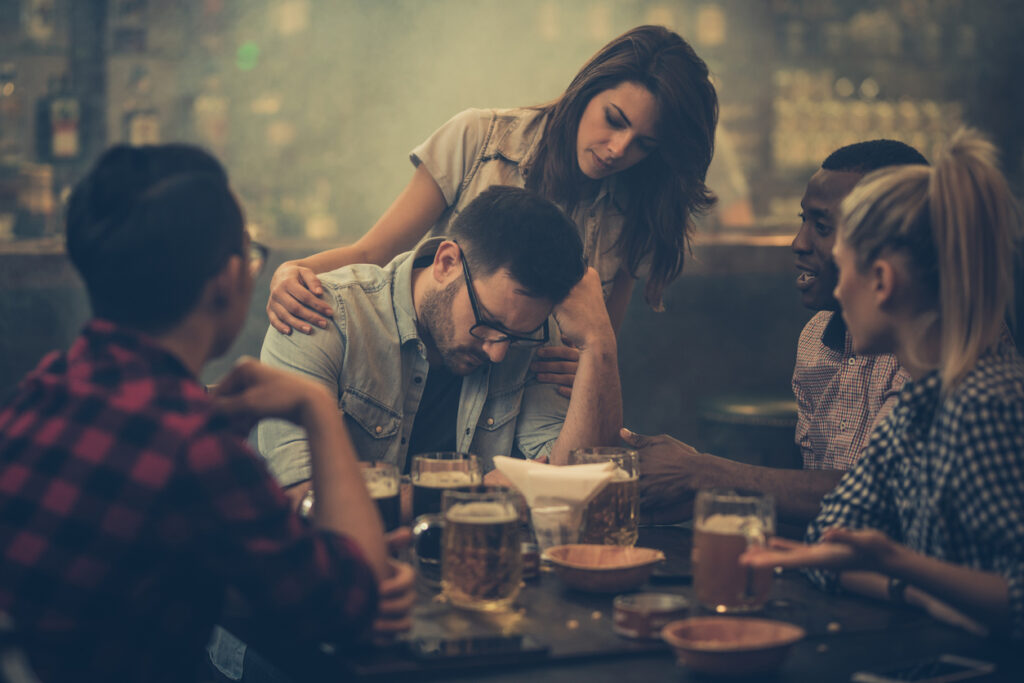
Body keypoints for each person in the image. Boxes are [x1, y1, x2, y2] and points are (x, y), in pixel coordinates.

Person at [0, 144, 414, 681]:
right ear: (226, 281)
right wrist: (315, 410)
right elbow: (355, 608)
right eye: (252, 254)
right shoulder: (192, 447)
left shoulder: (44, 389)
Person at [265, 25, 717, 394]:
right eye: (614, 120)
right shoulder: (479, 138)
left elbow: (600, 337)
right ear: (586, 91)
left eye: (644, 143)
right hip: (422, 375)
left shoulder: (638, 208)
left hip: (524, 403)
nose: (618, 149)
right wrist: (296, 270)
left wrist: (586, 364)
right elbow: (373, 252)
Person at [743, 129, 1024, 639]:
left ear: (881, 282)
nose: (838, 284)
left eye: (844, 266)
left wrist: (897, 564)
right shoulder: (917, 408)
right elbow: (829, 545)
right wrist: (908, 586)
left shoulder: (982, 404)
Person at [622, 140, 928, 524]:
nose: (798, 243)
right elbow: (815, 501)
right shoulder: (818, 336)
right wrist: (666, 487)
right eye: (803, 221)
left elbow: (876, 501)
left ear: (888, 243)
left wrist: (701, 472)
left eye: (821, 226)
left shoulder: (939, 352)